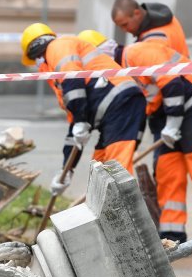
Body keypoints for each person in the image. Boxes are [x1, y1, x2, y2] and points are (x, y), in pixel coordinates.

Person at [120, 39, 192, 259]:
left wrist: (173, 124)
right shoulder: (123, 73)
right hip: (167, 117)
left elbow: (172, 84)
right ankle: (172, 239)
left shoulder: (140, 53)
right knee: (168, 174)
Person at [20, 23, 146, 196]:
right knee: (100, 167)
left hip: (123, 104)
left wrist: (80, 120)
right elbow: (74, 133)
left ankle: (128, 216)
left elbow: (73, 80)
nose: (36, 64)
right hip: (114, 110)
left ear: (35, 50)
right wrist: (66, 171)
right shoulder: (56, 76)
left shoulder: (58, 46)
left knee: (117, 169)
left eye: (35, 60)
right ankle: (107, 216)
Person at [111, 0, 189, 58]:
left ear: (137, 13)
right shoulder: (166, 18)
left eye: (125, 24)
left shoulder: (154, 38)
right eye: (120, 27)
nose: (124, 30)